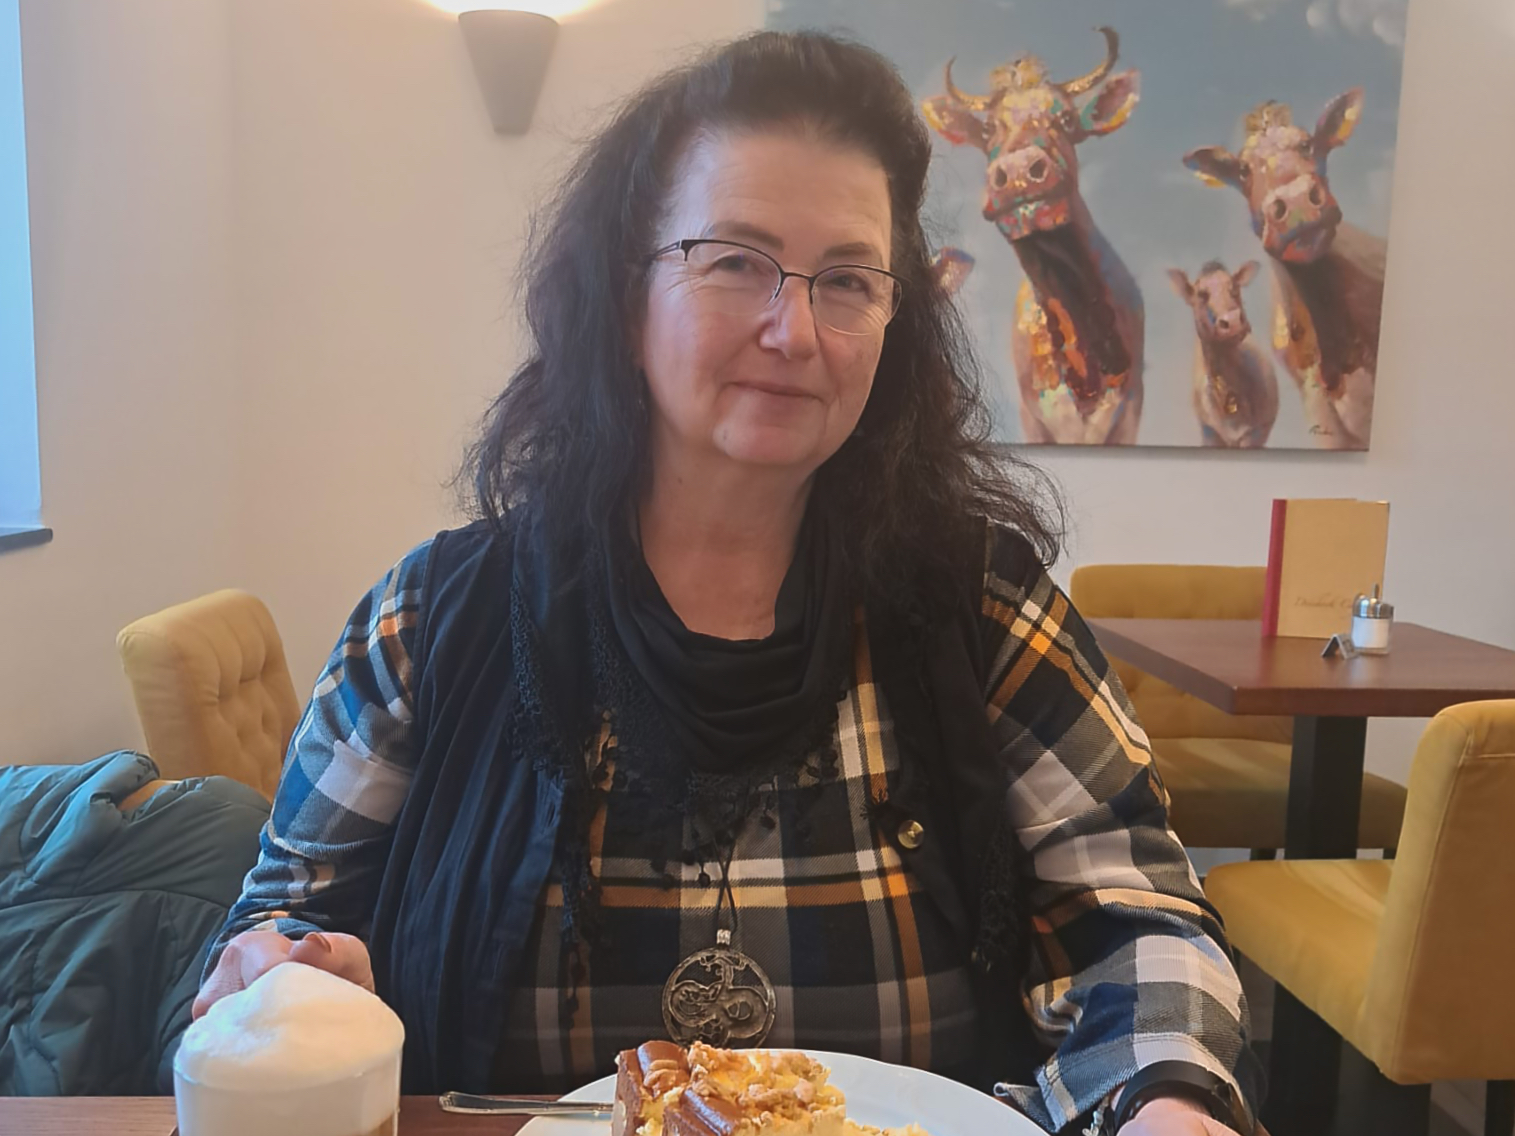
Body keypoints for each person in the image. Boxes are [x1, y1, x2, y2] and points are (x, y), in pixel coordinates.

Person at [196, 31, 1263, 1136]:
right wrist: (285, 978)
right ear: (625, 297)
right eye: (735, 260)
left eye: (845, 280)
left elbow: (1141, 921)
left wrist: (1166, 1095)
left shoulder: (982, 607)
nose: (793, 329)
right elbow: (278, 924)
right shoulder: (434, 620)